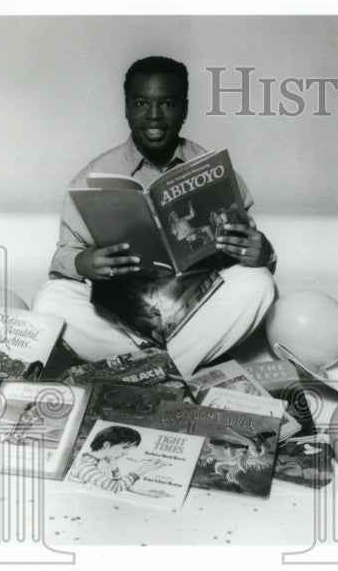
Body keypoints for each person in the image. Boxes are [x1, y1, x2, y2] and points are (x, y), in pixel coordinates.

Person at [32, 56, 276, 377]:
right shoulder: (92, 176)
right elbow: (63, 257)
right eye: (141, 103)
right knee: (50, 299)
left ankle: (149, 369)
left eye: (168, 103)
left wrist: (263, 252)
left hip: (195, 309)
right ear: (126, 108)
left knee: (259, 283)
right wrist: (85, 263)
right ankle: (173, 364)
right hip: (124, 318)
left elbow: (246, 253)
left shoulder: (213, 170)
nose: (154, 115)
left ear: (185, 109)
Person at [67, 425, 166, 494]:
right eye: (125, 447)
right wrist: (143, 469)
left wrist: (146, 492)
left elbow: (120, 482)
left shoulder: (102, 460)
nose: (126, 452)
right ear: (106, 444)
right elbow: (115, 487)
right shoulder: (86, 465)